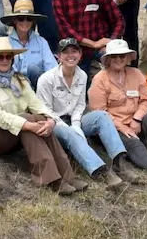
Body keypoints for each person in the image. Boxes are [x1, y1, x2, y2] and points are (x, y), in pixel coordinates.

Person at [0, 36, 81, 195]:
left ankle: (67, 175)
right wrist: (28, 125)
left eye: (8, 56)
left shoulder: (19, 79)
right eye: (0, 56)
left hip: (14, 130)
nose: (5, 60)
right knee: (27, 119)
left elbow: (36, 103)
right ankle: (51, 178)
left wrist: (50, 120)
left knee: (40, 118)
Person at [35, 38, 129, 188]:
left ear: (80, 55)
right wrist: (68, 127)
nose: (70, 55)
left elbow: (80, 104)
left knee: (102, 116)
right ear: (58, 56)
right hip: (54, 123)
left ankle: (119, 161)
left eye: (74, 51)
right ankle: (102, 171)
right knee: (70, 133)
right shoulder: (46, 79)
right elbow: (45, 109)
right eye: (65, 52)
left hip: (74, 119)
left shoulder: (82, 75)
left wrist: (76, 124)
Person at [89, 39, 147, 171]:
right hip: (114, 127)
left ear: (128, 58)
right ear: (108, 59)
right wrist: (123, 127)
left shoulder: (136, 73)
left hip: (136, 121)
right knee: (132, 141)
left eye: (122, 56)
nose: (118, 59)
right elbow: (100, 112)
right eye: (114, 56)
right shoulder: (99, 79)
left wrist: (137, 119)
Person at [53, 0, 123, 76]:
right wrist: (92, 44)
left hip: (101, 46)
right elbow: (65, 30)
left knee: (116, 63)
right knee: (77, 81)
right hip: (73, 48)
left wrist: (110, 42)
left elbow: (119, 20)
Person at [3, 0, 56, 88]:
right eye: (21, 19)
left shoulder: (41, 42)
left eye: (29, 19)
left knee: (34, 70)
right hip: (15, 86)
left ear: (33, 22)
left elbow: (52, 68)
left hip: (40, 86)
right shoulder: (5, 43)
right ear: (15, 21)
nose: (25, 22)